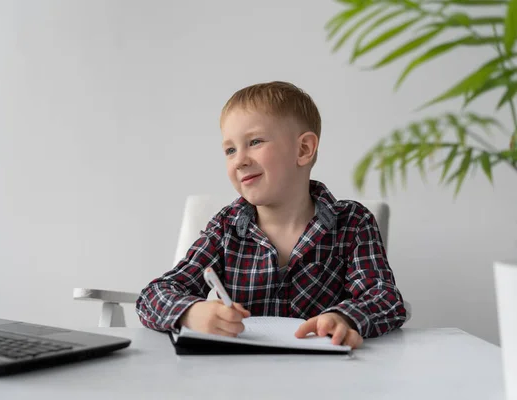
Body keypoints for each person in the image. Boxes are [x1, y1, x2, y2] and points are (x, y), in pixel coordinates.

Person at [135, 81, 406, 349]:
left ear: (303, 150)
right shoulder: (225, 227)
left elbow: (385, 298)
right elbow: (152, 296)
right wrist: (190, 313)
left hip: (322, 377)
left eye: (254, 142)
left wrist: (344, 318)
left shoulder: (353, 222)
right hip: (239, 377)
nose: (239, 159)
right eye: (230, 150)